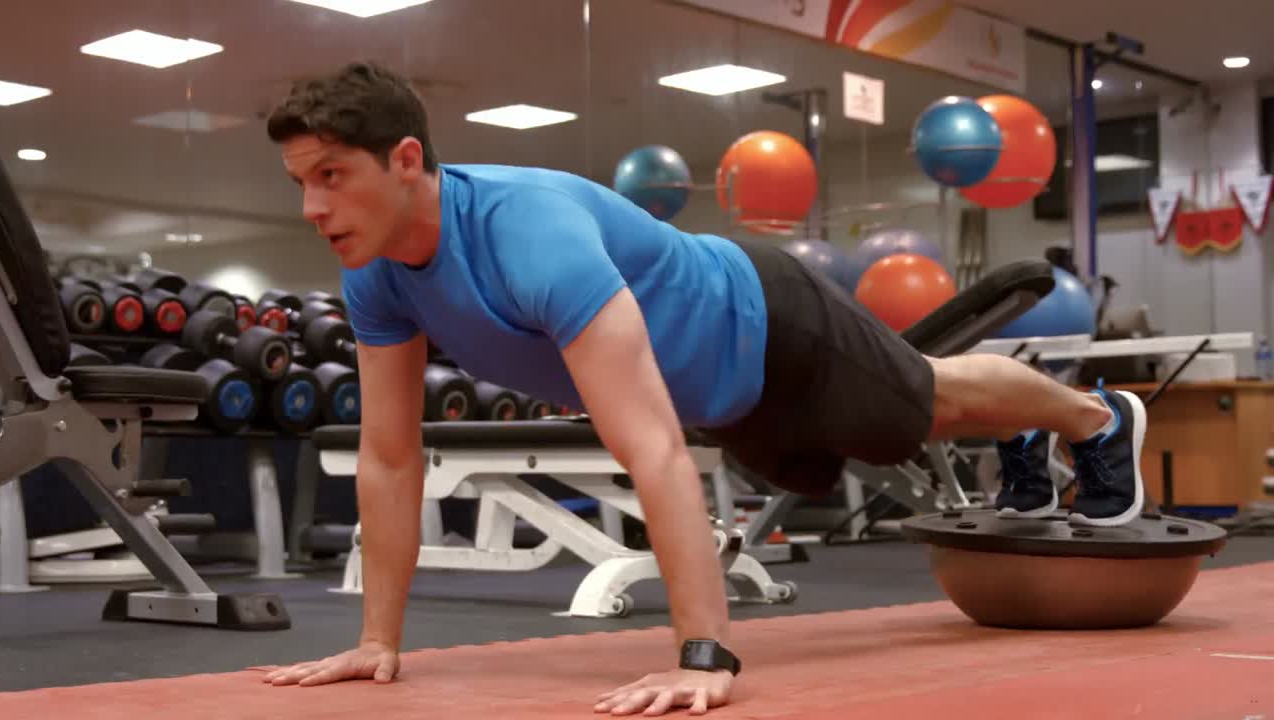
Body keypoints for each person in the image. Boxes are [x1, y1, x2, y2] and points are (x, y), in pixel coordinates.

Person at [260, 61, 1146, 716]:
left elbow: (647, 444)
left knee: (925, 401)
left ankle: (1097, 417)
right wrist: (377, 642)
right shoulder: (378, 276)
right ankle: (1022, 434)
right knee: (890, 440)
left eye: (331, 177)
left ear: (405, 159)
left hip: (770, 321)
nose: (313, 209)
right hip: (726, 401)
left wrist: (704, 653)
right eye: (302, 183)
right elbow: (387, 455)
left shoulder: (529, 234)